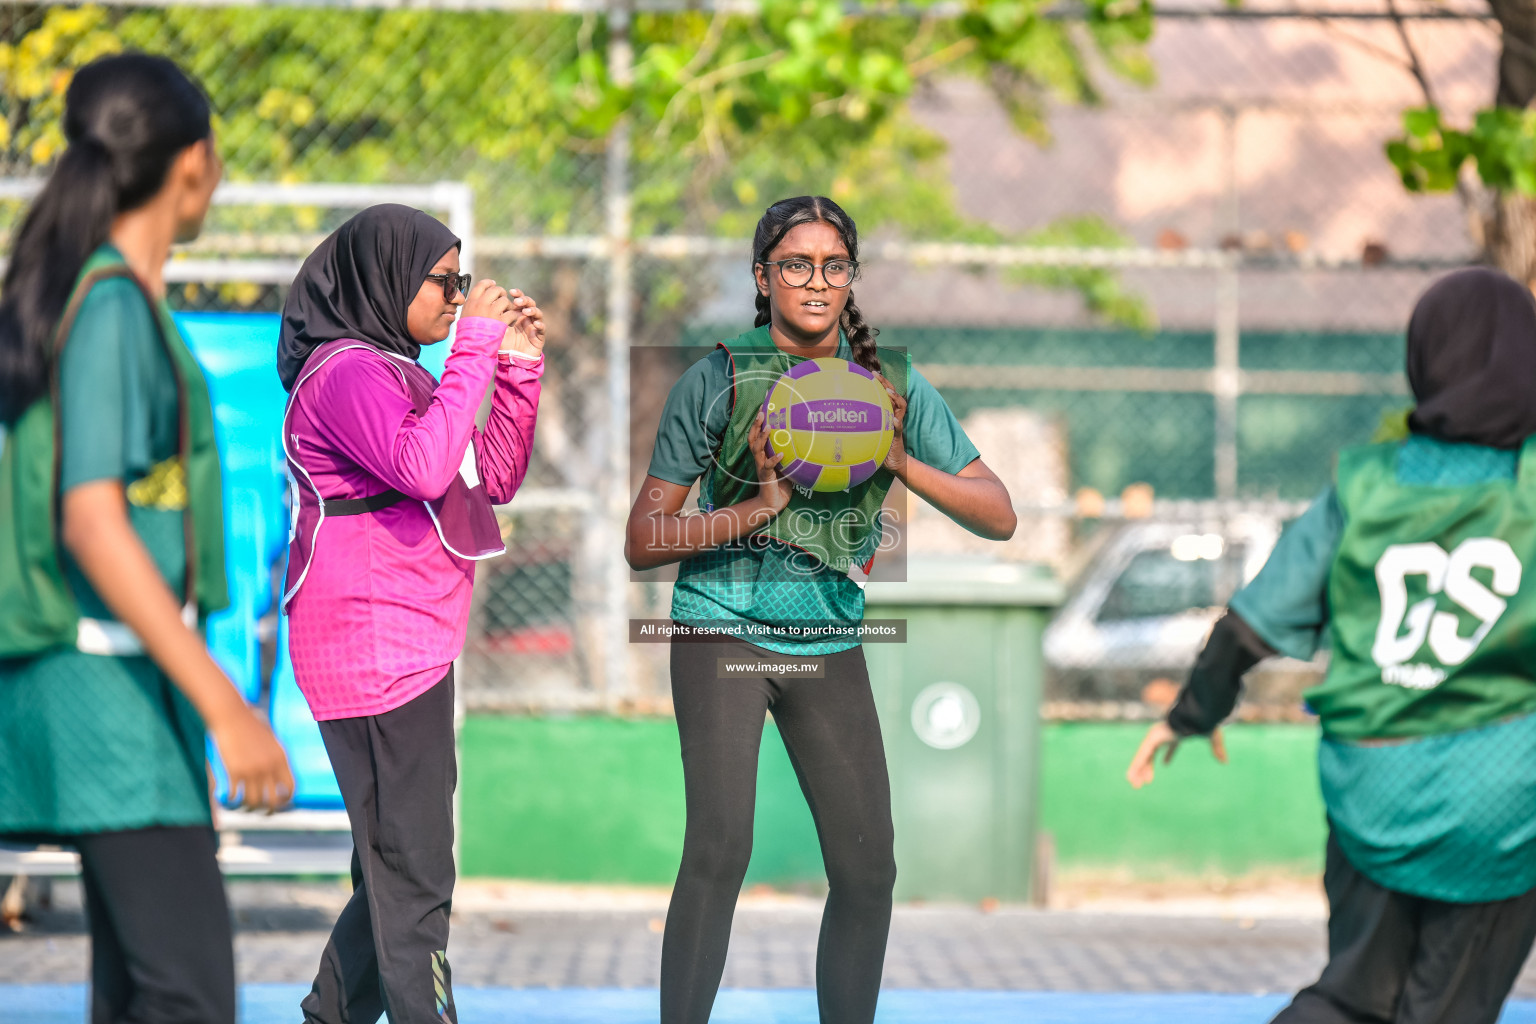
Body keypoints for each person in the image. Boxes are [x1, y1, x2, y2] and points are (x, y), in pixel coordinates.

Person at [626, 195, 1017, 1024]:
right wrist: (757, 509)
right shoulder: (720, 377)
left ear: (852, 280)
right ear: (763, 277)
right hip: (719, 626)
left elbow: (998, 513)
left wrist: (901, 460)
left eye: (833, 266)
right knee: (721, 847)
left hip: (827, 637)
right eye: (795, 265)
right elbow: (642, 540)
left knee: (869, 868)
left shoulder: (891, 385)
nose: (815, 281)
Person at [1126, 266, 1536, 1024]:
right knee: (1445, 1008)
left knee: (1351, 997)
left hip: (1372, 785)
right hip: (1503, 798)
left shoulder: (1367, 485)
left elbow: (1247, 627)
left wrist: (1191, 714)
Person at [0, 53, 294, 1024]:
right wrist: (228, 707)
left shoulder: (94, 296)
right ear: (194, 164)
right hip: (101, 682)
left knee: (139, 993)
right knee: (187, 995)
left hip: (113, 678)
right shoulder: (112, 306)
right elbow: (91, 518)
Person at [278, 204, 545, 1024]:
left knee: (397, 864)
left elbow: (486, 477)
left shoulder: (399, 370)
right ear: (384, 277)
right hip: (371, 640)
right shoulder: (345, 372)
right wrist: (473, 350)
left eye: (463, 281)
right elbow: (426, 468)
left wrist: (518, 367)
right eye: (444, 280)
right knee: (417, 868)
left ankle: (333, 1014)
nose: (460, 298)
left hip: (411, 636)